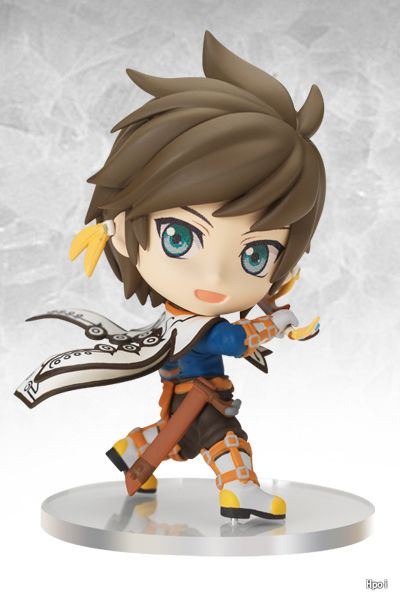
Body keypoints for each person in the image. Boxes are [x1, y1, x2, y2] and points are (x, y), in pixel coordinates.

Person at [15, 31, 325, 521]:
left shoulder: (176, 320)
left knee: (178, 442)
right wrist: (278, 323)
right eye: (179, 237)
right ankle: (237, 492)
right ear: (122, 230)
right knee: (228, 443)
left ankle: (132, 449)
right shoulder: (197, 325)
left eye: (255, 255)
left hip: (187, 395)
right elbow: (233, 340)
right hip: (197, 395)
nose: (215, 276)